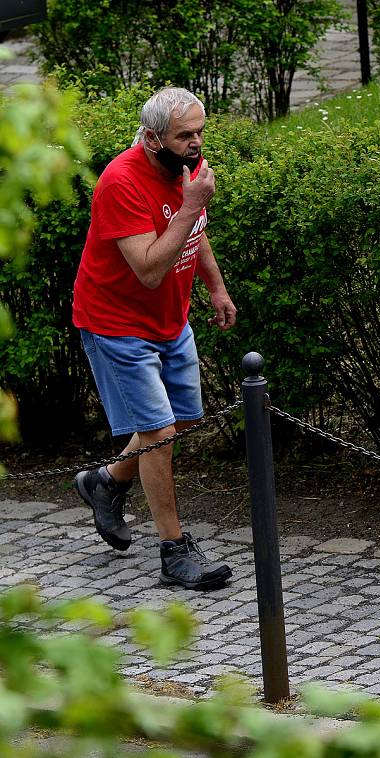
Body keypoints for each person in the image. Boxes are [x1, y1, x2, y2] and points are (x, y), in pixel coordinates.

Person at [72, 87, 236, 591]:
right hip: (116, 323)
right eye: (185, 135)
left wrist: (215, 286)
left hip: (170, 319)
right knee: (160, 432)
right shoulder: (120, 182)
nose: (196, 143)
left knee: (184, 419)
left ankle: (105, 481)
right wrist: (190, 207)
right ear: (151, 137)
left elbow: (195, 228)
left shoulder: (183, 165)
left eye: (200, 132)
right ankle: (173, 551)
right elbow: (147, 268)